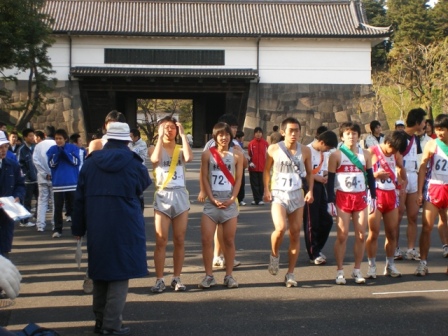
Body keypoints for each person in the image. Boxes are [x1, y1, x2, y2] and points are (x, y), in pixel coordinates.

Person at [72, 122, 151, 335]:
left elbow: (79, 198)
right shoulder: (134, 163)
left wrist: (78, 228)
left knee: (99, 270)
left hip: (97, 220)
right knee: (120, 272)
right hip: (125, 221)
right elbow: (143, 184)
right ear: (128, 140)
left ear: (106, 138)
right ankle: (112, 324)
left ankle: (99, 320)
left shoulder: (90, 162)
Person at [263, 117, 314, 287]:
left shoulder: (305, 150)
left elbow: (310, 173)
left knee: (295, 232)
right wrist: (266, 189)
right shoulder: (273, 149)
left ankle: (290, 273)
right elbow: (266, 170)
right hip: (279, 195)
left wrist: (310, 191)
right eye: (291, 131)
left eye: (297, 130)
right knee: (280, 228)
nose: (294, 134)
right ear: (283, 132)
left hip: (297, 195)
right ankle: (274, 254)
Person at [326, 122, 376, 285]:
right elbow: (331, 180)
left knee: (361, 234)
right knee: (342, 234)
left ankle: (357, 269)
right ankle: (340, 271)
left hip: (360, 197)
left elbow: (371, 176)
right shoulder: (336, 155)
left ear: (358, 136)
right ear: (342, 136)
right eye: (347, 134)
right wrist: (330, 201)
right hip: (343, 198)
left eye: (354, 133)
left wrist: (373, 197)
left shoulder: (366, 154)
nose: (351, 136)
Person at [148, 116, 193, 293]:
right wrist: (159, 138)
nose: (169, 130)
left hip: (180, 194)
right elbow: (154, 159)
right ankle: (159, 279)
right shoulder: (154, 147)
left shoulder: (181, 148)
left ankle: (176, 277)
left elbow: (189, 158)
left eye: (172, 127)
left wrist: (183, 136)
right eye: (166, 127)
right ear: (160, 129)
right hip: (163, 195)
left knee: (179, 239)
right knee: (161, 239)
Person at [198, 122, 243, 289]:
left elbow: (239, 179)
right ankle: (209, 275)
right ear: (215, 136)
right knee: (206, 239)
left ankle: (229, 275)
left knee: (229, 241)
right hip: (212, 203)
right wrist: (210, 197)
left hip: (229, 203)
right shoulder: (207, 155)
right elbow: (204, 177)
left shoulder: (237, 155)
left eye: (227, 134)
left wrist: (232, 198)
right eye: (220, 135)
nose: (224, 138)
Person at [365, 131, 408, 279]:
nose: (395, 153)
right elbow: (360, 172)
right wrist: (376, 175)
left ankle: (390, 265)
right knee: (374, 232)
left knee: (392, 232)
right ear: (388, 143)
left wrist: (403, 183)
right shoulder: (371, 151)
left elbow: (402, 169)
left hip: (391, 195)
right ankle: (371, 266)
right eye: (394, 149)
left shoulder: (395, 154)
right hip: (375, 194)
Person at [415, 114, 448, 276]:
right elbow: (422, 167)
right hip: (434, 188)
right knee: (427, 227)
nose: (440, 133)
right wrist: (420, 191)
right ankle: (423, 263)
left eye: (443, 130)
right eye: (438, 130)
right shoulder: (432, 144)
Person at [396, 108, 426, 260]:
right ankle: (394, 248)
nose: (425, 124)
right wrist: (400, 179)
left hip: (413, 177)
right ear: (417, 122)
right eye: (423, 121)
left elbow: (419, 159)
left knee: (413, 216)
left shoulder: (416, 139)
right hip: (401, 177)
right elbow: (394, 159)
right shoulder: (400, 137)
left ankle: (411, 249)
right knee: (398, 214)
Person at [303, 130, 338, 265]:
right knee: (312, 222)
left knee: (327, 220)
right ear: (322, 142)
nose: (327, 150)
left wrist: (325, 175)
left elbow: (322, 169)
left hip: (321, 187)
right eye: (327, 147)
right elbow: (301, 171)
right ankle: (313, 253)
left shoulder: (324, 153)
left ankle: (317, 248)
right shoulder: (307, 150)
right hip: (309, 187)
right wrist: (315, 177)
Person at [47, 129, 80, 238]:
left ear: (65, 139)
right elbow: (51, 164)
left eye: (60, 138)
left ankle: (76, 229)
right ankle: (57, 229)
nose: (58, 140)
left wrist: (65, 153)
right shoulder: (52, 149)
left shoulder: (73, 148)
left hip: (72, 183)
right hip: (58, 184)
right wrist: (57, 154)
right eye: (56, 138)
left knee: (74, 207)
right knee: (58, 208)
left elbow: (76, 162)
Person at [0, 131, 25, 259]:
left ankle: (4, 276)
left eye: (5, 146)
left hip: (7, 212)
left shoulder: (12, 165)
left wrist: (17, 196)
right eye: (0, 147)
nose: (3, 150)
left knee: (4, 247)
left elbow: (20, 184)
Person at [32, 126, 56, 232]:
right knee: (55, 201)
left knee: (42, 201)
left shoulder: (38, 146)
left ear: (44, 135)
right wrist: (51, 173)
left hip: (42, 178)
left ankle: (40, 224)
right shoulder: (57, 145)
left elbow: (35, 160)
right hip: (55, 177)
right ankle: (55, 223)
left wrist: (44, 173)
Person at [18, 128, 38, 228]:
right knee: (27, 201)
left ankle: (37, 216)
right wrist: (26, 175)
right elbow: (20, 165)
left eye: (33, 135)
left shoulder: (35, 148)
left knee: (41, 199)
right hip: (27, 181)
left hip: (37, 178)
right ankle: (24, 221)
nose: (32, 137)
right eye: (30, 136)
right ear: (25, 137)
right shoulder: (22, 149)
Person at [248, 127, 269, 205]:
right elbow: (249, 155)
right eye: (256, 132)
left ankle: (259, 198)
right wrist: (250, 162)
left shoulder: (266, 144)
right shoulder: (251, 143)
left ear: (262, 134)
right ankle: (256, 199)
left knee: (261, 183)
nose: (258, 134)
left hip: (263, 167)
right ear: (254, 134)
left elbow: (268, 155)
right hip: (253, 167)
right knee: (254, 184)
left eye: (260, 132)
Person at [235, 130, 247, 206]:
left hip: (240, 164)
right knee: (239, 182)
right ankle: (239, 199)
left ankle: (239, 199)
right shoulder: (236, 144)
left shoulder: (240, 144)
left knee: (240, 182)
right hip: (236, 165)